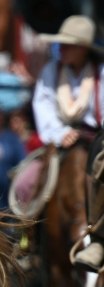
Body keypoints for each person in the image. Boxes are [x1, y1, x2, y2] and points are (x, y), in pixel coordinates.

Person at [31, 16, 104, 270]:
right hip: (59, 140)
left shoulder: (100, 72)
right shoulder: (51, 71)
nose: (61, 49)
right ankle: (28, 241)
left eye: (68, 45)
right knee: (28, 180)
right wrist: (60, 132)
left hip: (97, 138)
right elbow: (43, 106)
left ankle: (98, 239)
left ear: (83, 48)